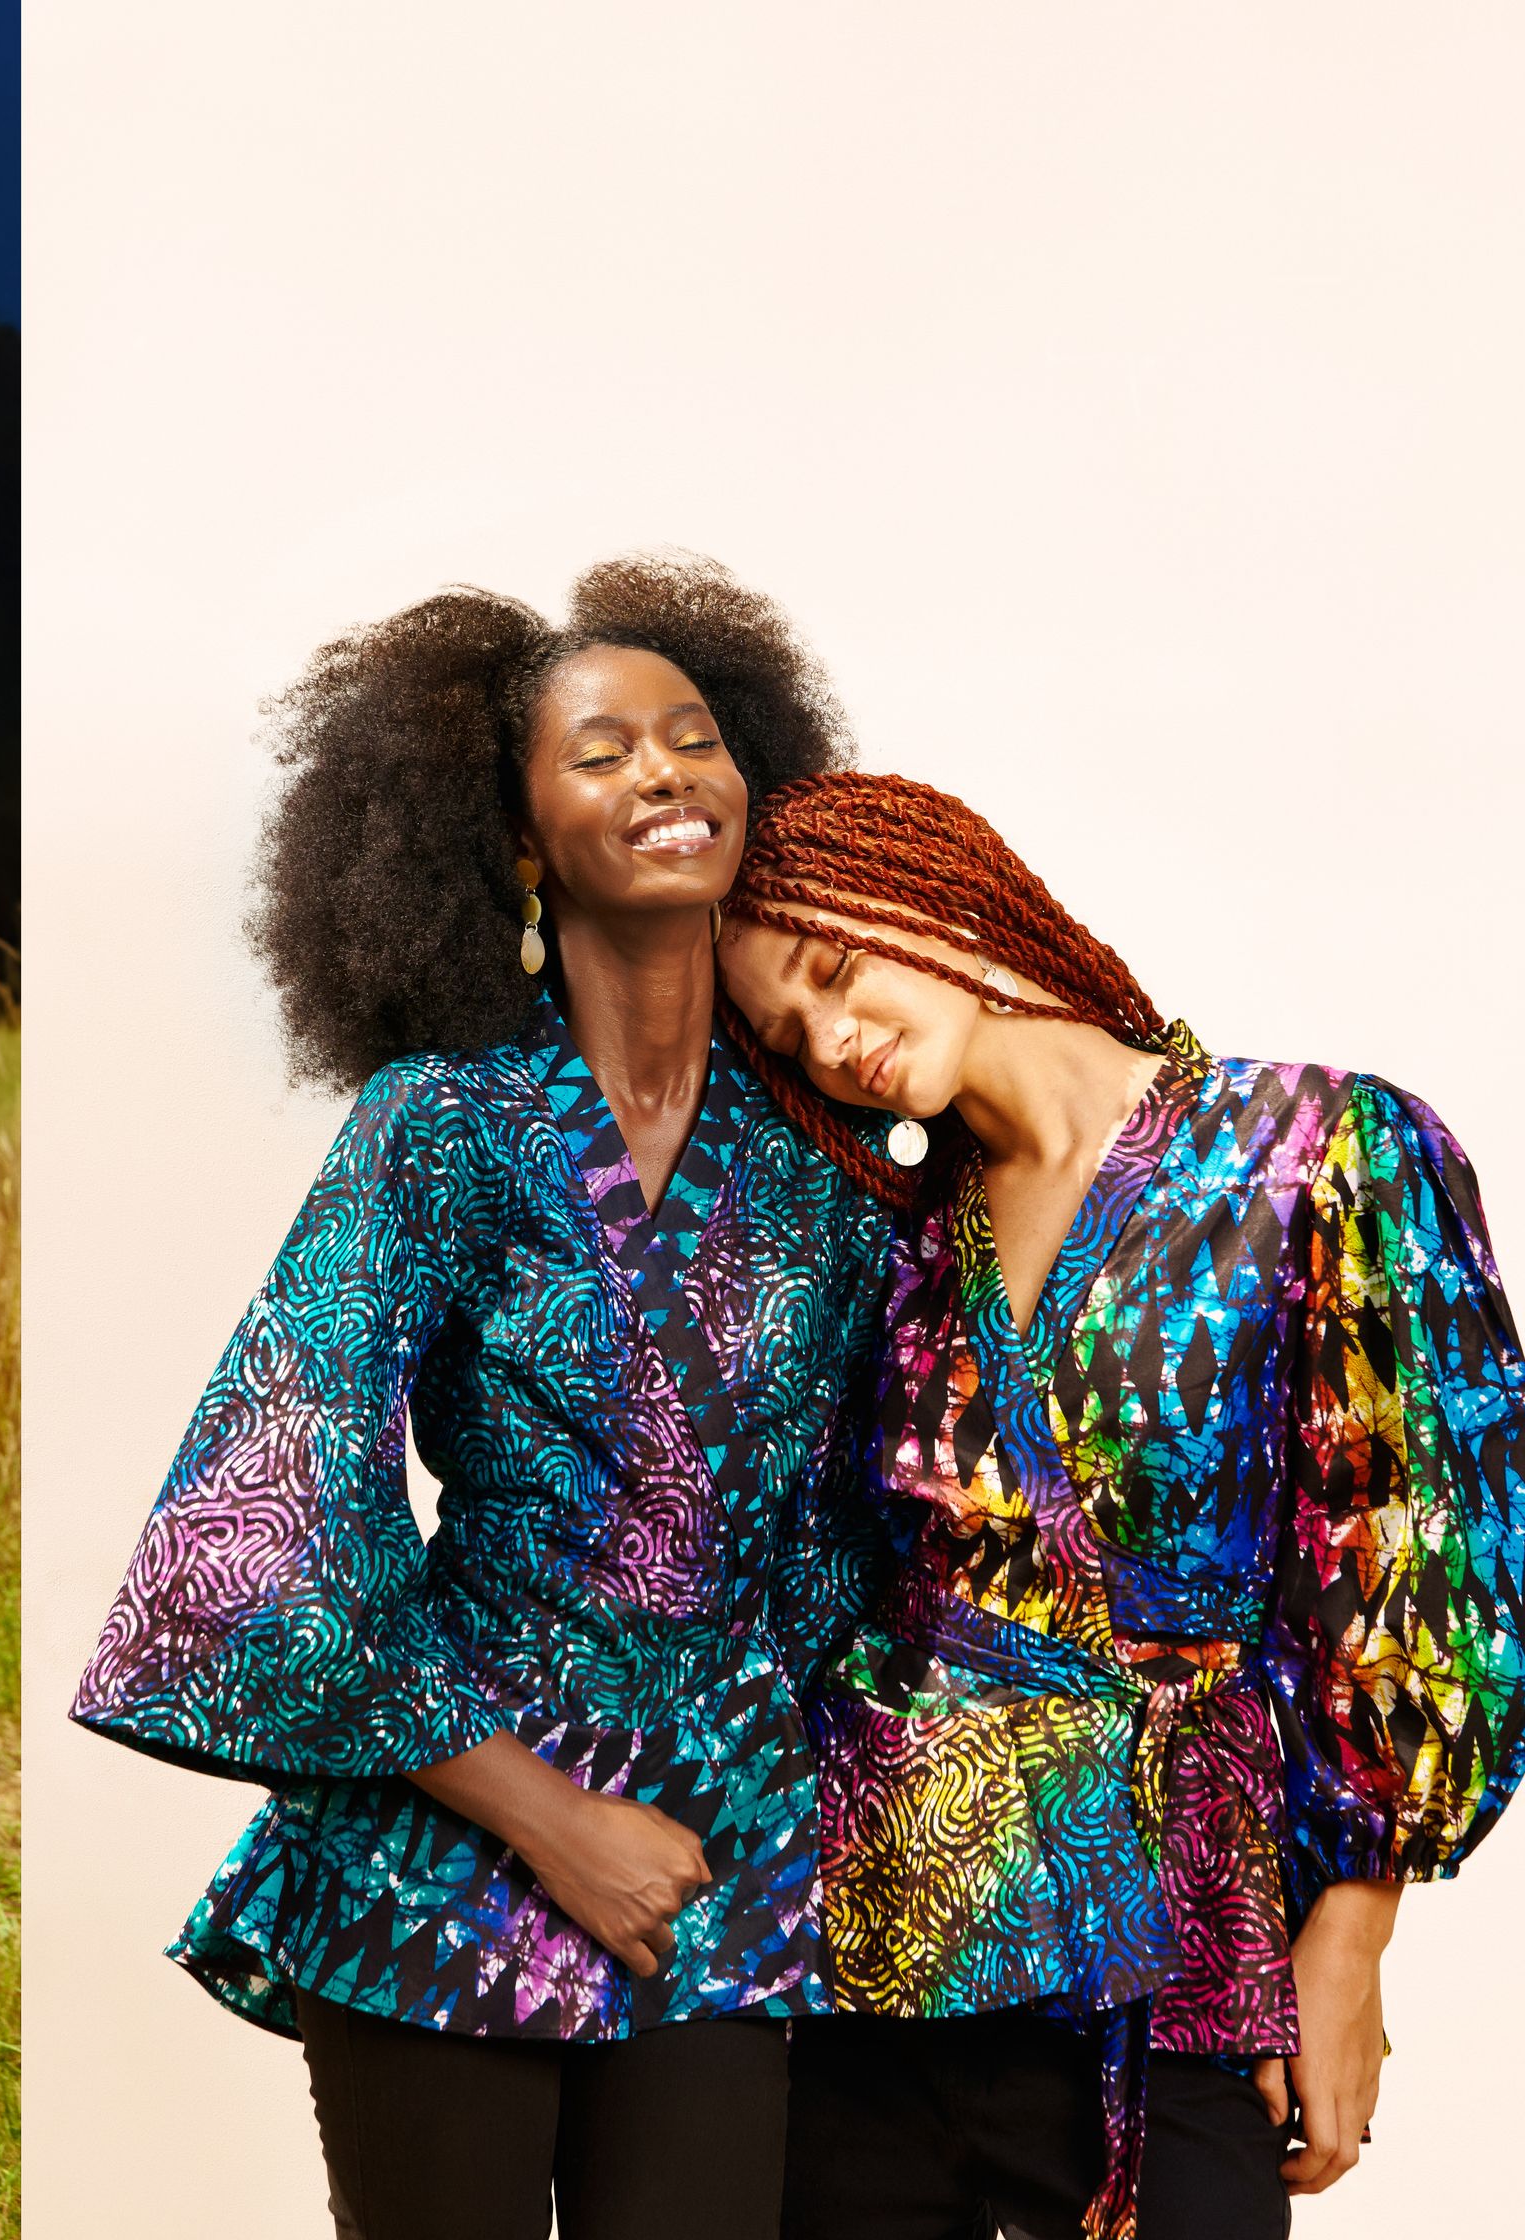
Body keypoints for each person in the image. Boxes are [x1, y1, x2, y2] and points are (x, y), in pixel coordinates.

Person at [70, 560, 897, 2240]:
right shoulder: (439, 1125)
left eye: (695, 738)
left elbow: (862, 1532)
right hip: (455, 1833)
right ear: (515, 843)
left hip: (717, 1857)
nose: (667, 773)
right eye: (604, 753)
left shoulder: (827, 1163)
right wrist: (551, 1821)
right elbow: (270, 1508)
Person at [714, 769, 1525, 2240]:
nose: (832, 1040)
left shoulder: (1316, 1151)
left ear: (939, 889)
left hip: (1180, 1956)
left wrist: (1350, 1932)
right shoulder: (898, 1243)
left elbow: (1437, 1547)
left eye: (835, 970)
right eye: (789, 1034)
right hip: (873, 1955)